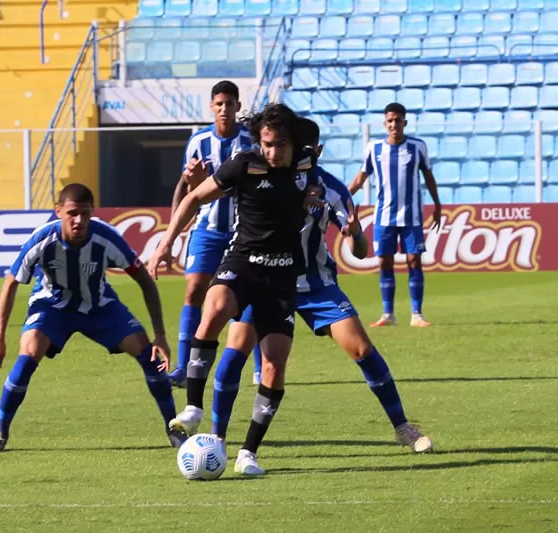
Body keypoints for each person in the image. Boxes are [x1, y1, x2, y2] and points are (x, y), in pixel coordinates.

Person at [211, 118, 433, 455]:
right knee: (236, 348)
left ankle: (402, 426)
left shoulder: (331, 189)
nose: (301, 154)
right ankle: (217, 438)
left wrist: (355, 234)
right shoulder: (261, 177)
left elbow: (360, 251)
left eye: (307, 149)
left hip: (315, 286)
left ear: (317, 150)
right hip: (265, 280)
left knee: (361, 349)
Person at [148, 103, 322, 475]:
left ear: (293, 141)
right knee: (213, 308)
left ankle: (248, 453)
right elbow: (195, 198)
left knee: (274, 366)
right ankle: (193, 407)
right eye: (267, 144)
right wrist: (165, 244)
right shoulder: (245, 164)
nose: (272, 152)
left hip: (282, 277)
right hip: (243, 261)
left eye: (280, 144)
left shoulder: (307, 163)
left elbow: (315, 182)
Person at [0, 184, 186, 455]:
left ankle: (173, 428)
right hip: (52, 306)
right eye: (72, 213)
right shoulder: (43, 239)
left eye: (85, 214)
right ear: (59, 212)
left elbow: (144, 280)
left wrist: (160, 335)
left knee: (149, 356)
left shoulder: (106, 238)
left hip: (99, 307)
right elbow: (11, 283)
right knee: (28, 354)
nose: (79, 221)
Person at [168, 80, 261, 388]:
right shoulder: (198, 141)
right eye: (218, 104)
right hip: (207, 229)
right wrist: (191, 184)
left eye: (229, 104)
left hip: (244, 232)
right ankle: (183, 367)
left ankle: (260, 366)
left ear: (237, 106)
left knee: (251, 298)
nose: (224, 109)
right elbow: (190, 190)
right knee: (194, 290)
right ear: (211, 106)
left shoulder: (251, 141)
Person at [348, 102, 442, 328]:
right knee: (385, 262)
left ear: (404, 122)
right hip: (384, 216)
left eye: (398, 120)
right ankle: (388, 314)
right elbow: (361, 178)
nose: (394, 124)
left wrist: (437, 205)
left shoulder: (418, 146)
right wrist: (343, 196)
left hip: (412, 216)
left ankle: (417, 315)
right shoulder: (374, 148)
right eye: (390, 121)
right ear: (385, 123)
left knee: (413, 260)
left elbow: (428, 176)